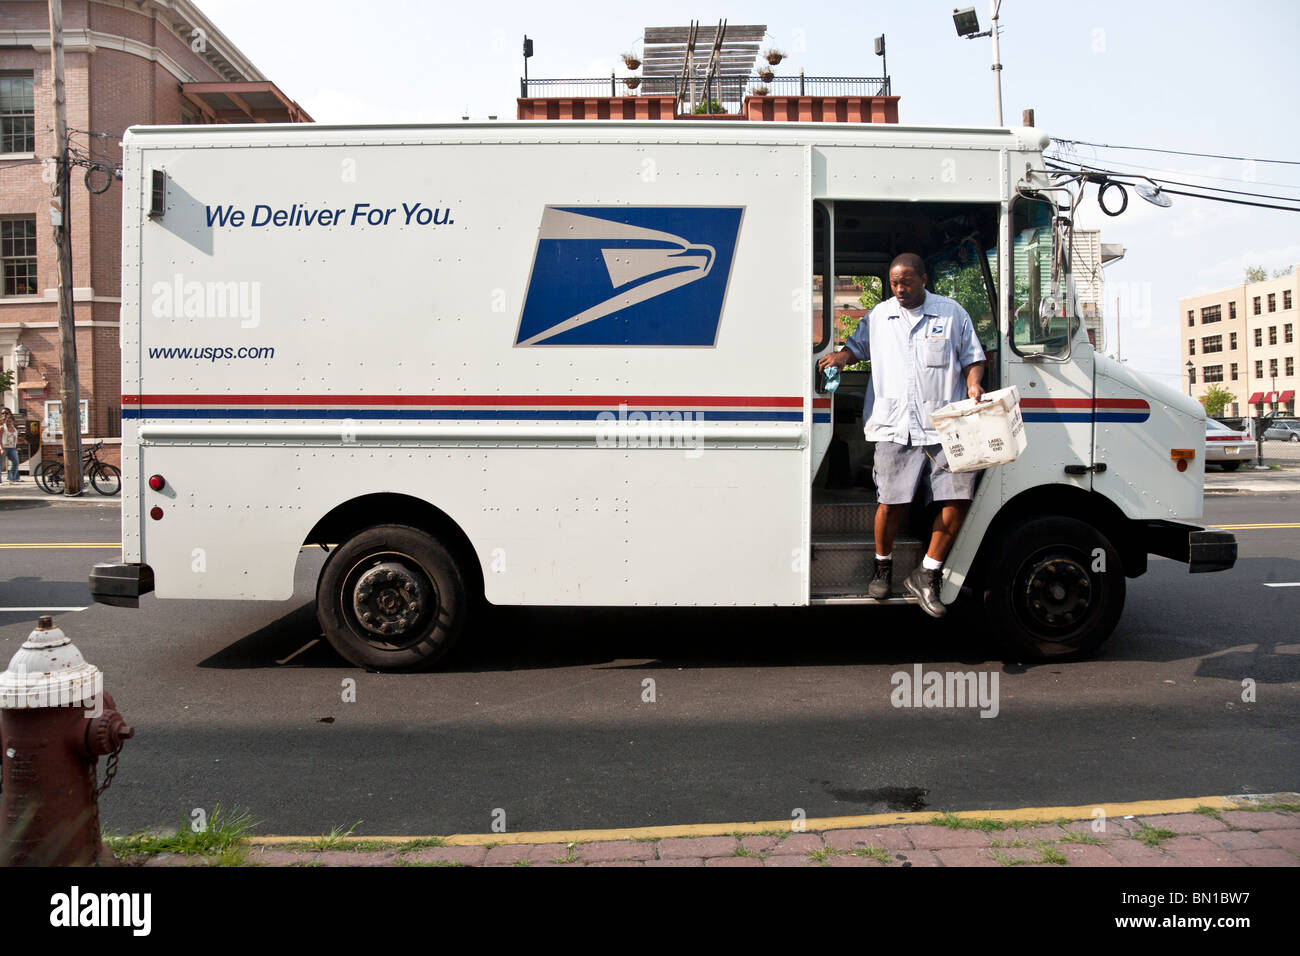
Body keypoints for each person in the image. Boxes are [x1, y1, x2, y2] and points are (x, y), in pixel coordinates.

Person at [817, 253, 985, 618]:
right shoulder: (879, 316)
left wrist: (973, 384)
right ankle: (883, 565)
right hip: (894, 424)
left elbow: (974, 357)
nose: (899, 288)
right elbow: (855, 348)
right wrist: (841, 358)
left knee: (956, 500)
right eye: (894, 282)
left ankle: (927, 572)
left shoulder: (951, 313)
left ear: (924, 279)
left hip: (944, 425)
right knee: (890, 502)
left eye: (906, 281)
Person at [1, 410, 20, 483]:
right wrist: (1, 448)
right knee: (1, 464)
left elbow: (15, 439)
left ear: (13, 422)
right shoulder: (2, 428)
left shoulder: (15, 430)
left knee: (16, 462)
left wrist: (16, 446)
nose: (8, 422)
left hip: (12, 448)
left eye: (10, 421)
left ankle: (11, 477)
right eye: (7, 421)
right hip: (4, 447)